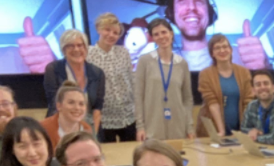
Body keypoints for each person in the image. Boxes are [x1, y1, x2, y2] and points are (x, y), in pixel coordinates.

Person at [158, 0, 269, 72]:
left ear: (209, 12)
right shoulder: (156, 63)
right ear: (171, 13)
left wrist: (262, 69)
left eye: (199, 0)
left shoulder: (242, 55)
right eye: (181, 0)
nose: (191, 7)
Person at [134, 18, 194, 142]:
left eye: (164, 32)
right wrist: (140, 126)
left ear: (171, 33)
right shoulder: (144, 61)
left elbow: (187, 99)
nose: (161, 37)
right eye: (156, 34)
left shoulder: (182, 63)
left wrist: (189, 127)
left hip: (178, 127)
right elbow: (138, 96)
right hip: (152, 127)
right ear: (152, 38)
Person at [88, 12, 138, 142]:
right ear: (98, 29)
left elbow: (131, 81)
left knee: (131, 151)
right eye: (107, 30)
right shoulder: (88, 54)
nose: (111, 35)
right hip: (103, 119)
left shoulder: (123, 52)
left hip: (128, 116)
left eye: (116, 33)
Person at [43, 28, 105, 130]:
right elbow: (55, 105)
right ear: (63, 50)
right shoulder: (53, 69)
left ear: (85, 48)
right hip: (60, 126)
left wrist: (93, 134)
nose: (76, 49)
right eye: (70, 46)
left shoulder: (97, 73)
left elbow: (97, 108)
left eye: (80, 45)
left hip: (89, 127)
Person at [197, 33, 251, 137]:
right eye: (217, 48)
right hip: (214, 132)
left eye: (225, 46)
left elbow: (248, 102)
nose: (222, 50)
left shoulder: (244, 72)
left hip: (239, 131)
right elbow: (212, 103)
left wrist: (244, 130)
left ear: (231, 50)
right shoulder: (205, 74)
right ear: (212, 53)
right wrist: (221, 131)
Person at [41, 81, 95, 146]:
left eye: (81, 104)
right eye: (71, 102)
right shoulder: (43, 128)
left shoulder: (86, 129)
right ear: (59, 106)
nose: (77, 108)